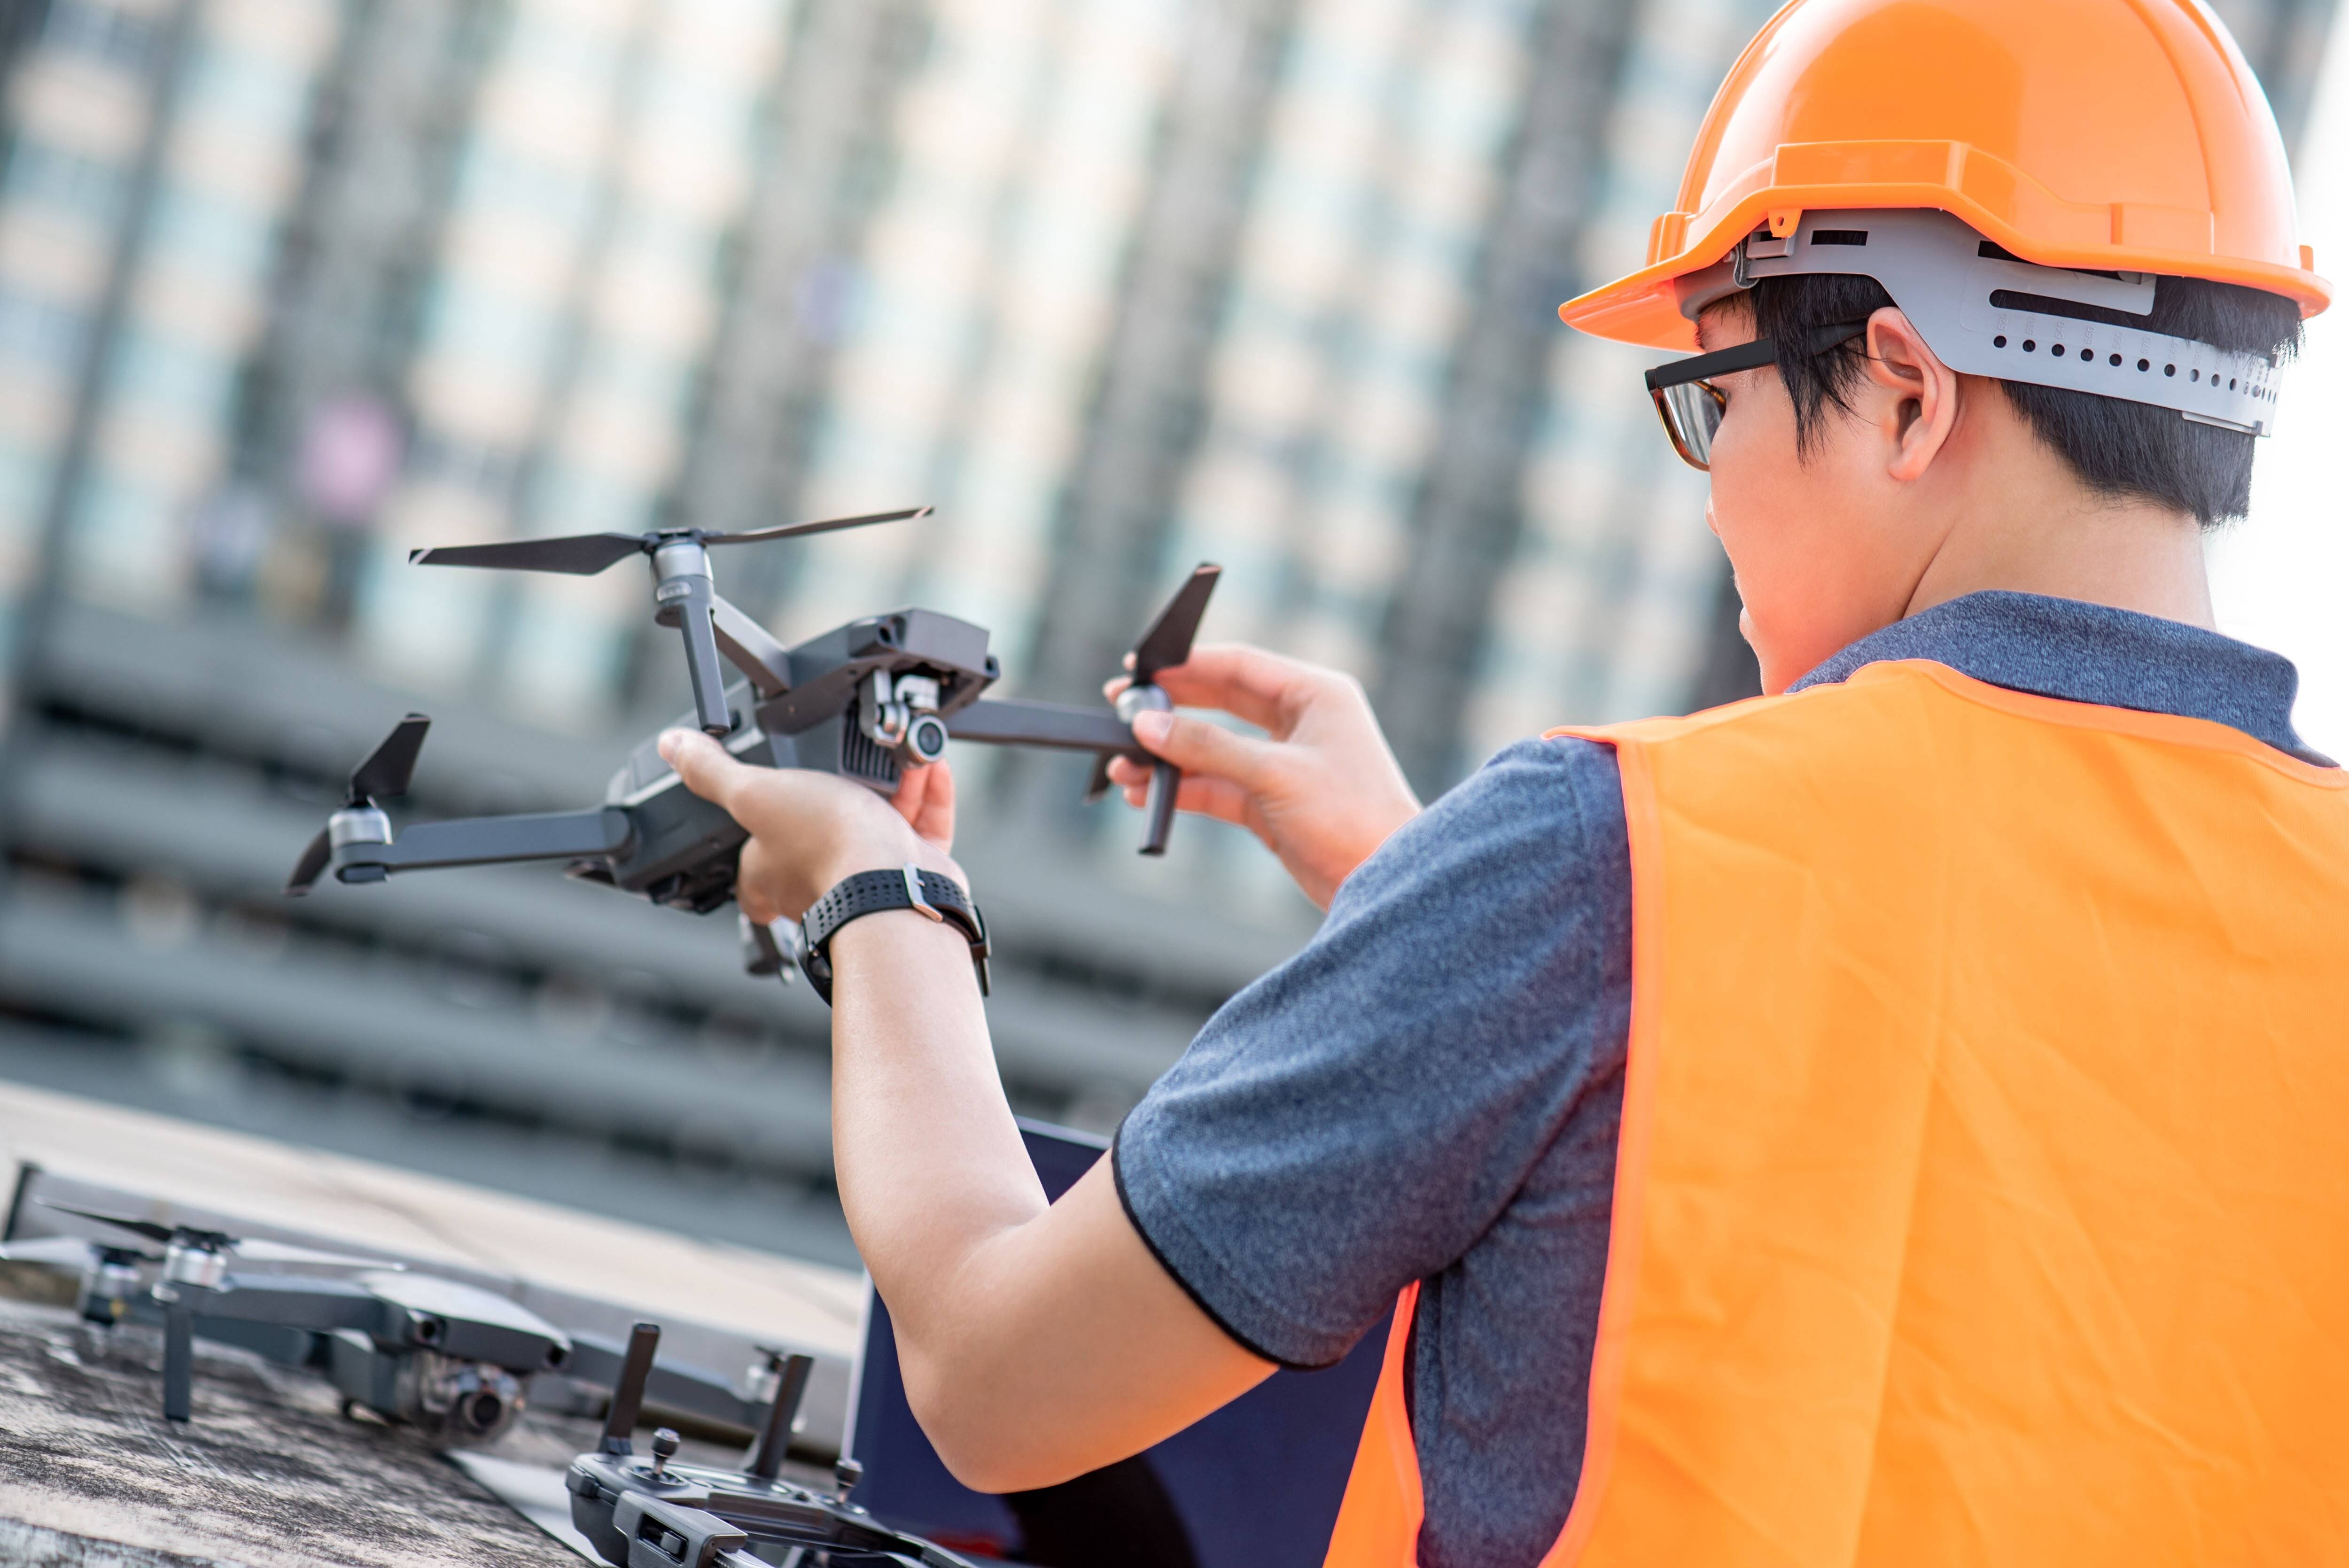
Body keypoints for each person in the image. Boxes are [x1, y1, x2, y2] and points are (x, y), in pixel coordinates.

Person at [656, 0, 2349, 1561]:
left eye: (1710, 394)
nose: (1708, 486)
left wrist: (882, 898)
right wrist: (1424, 885)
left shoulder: (1607, 860)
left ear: (1906, 390)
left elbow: (994, 1363)